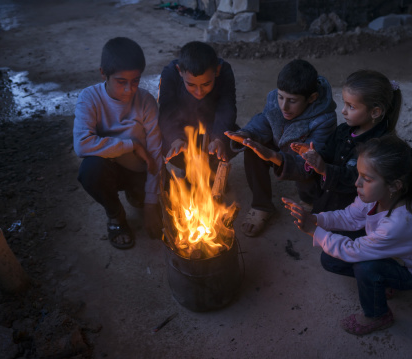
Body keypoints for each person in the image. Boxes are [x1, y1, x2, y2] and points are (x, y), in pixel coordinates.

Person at [283, 135, 412, 336]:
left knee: (366, 267)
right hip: (392, 252)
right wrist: (315, 219)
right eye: (359, 174)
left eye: (366, 179)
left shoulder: (401, 223)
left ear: (394, 186)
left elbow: (353, 250)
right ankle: (382, 282)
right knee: (330, 259)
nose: (357, 183)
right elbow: (349, 217)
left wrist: (313, 231)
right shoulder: (375, 196)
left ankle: (377, 315)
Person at [225, 59, 337, 237]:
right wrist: (247, 134)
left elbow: (309, 164)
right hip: (280, 148)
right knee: (252, 147)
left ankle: (309, 202)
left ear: (312, 98)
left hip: (306, 160)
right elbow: (264, 121)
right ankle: (262, 205)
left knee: (311, 178)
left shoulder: (325, 119)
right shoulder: (275, 100)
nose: (283, 106)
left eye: (292, 101)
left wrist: (273, 156)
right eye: (281, 97)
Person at [73, 37, 163, 250]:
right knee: (90, 170)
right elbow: (82, 145)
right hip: (109, 168)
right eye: (121, 82)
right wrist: (131, 145)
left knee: (156, 193)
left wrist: (151, 205)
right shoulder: (90, 98)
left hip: (140, 169)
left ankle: (137, 193)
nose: (129, 90)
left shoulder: (146, 102)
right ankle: (116, 216)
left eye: (135, 81)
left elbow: (156, 154)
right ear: (103, 73)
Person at [291, 69, 402, 218]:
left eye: (351, 106)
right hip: (330, 197)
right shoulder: (344, 130)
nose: (343, 111)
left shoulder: (378, 146)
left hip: (353, 210)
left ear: (375, 112)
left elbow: (356, 179)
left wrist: (324, 169)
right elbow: (328, 152)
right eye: (344, 103)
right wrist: (315, 155)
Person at [158, 41, 238, 173]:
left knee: (232, 140)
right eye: (191, 85)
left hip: (212, 127)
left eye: (206, 84)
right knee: (160, 141)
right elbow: (167, 112)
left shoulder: (224, 70)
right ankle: (189, 170)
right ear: (180, 71)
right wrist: (176, 139)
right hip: (183, 129)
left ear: (216, 71)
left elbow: (227, 108)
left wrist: (218, 139)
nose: (199, 92)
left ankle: (212, 172)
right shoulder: (170, 73)